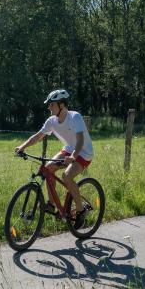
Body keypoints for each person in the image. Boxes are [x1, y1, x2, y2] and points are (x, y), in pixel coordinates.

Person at [15, 89, 93, 228]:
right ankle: (51, 205)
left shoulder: (75, 117)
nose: (49, 107)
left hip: (84, 152)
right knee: (48, 169)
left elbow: (80, 141)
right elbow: (38, 136)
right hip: (69, 149)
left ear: (62, 105)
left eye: (52, 104)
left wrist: (73, 157)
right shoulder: (52, 121)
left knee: (66, 176)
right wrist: (22, 147)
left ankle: (81, 211)